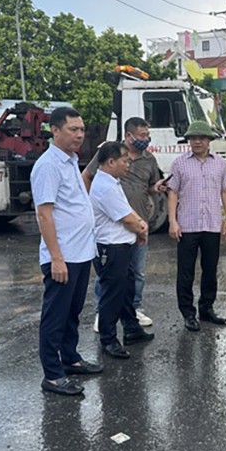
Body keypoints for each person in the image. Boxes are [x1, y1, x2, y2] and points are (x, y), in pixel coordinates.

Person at [30, 107, 102, 396]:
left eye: (82, 129)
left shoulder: (70, 160)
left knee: (72, 313)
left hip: (81, 253)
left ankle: (70, 358)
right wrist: (56, 258)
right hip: (63, 257)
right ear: (55, 131)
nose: (80, 135)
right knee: (55, 316)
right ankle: (53, 374)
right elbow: (44, 214)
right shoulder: (48, 165)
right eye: (74, 129)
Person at [83, 117, 168, 332]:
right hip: (116, 225)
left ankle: (133, 310)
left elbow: (149, 186)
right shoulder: (110, 153)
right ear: (129, 135)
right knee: (109, 276)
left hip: (137, 222)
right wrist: (87, 208)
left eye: (147, 136)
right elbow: (87, 176)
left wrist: (155, 188)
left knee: (134, 273)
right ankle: (102, 313)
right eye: (142, 136)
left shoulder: (149, 159)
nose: (146, 139)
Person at [168, 121, 226, 332]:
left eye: (202, 138)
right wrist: (172, 221)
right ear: (188, 141)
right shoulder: (179, 163)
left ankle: (206, 308)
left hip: (212, 225)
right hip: (187, 225)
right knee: (186, 272)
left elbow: (225, 191)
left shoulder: (220, 164)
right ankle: (188, 313)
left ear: (209, 141)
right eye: (193, 138)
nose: (197, 142)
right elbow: (173, 192)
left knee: (210, 270)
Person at [90, 141, 154, 360]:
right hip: (111, 248)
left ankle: (131, 328)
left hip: (121, 246)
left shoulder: (111, 181)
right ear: (110, 162)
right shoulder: (105, 186)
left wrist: (140, 226)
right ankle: (108, 340)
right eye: (124, 161)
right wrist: (142, 229)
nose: (128, 165)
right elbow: (127, 218)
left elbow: (128, 211)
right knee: (112, 295)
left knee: (126, 289)